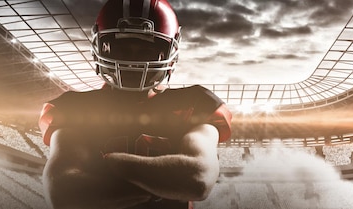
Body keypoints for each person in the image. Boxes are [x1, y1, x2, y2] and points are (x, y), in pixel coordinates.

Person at [38, 0, 232, 208]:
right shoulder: (74, 107)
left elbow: (197, 179)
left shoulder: (195, 103)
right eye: (121, 49)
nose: (132, 61)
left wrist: (111, 163)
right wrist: (166, 182)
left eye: (146, 50)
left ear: (170, 52)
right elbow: (63, 192)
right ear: (101, 48)